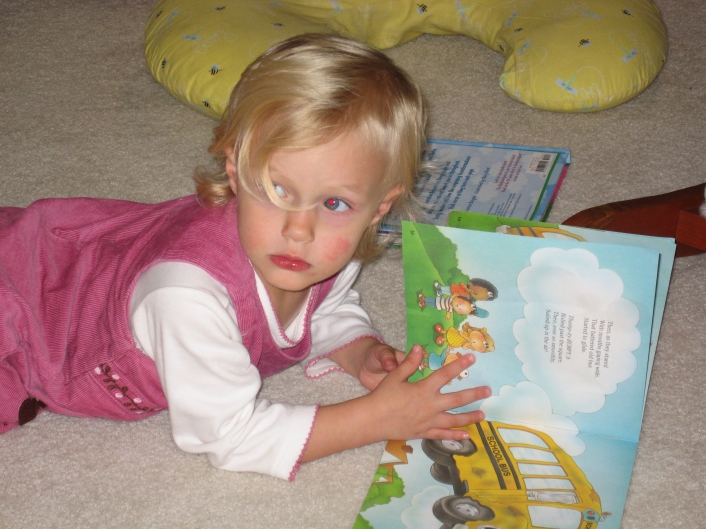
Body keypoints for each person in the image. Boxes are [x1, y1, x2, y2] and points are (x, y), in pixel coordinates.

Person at [0, 34, 489, 480]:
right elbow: (229, 436)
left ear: (378, 207)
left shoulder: (328, 249)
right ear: (234, 171)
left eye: (334, 203)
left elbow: (326, 305)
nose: (299, 230)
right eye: (277, 191)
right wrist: (378, 419)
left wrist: (358, 350)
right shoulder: (186, 297)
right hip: (29, 312)